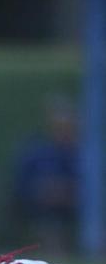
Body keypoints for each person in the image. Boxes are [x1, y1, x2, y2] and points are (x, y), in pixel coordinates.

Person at [12, 94, 80, 254]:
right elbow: (22, 183)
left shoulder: (84, 153)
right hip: (41, 206)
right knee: (48, 220)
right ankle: (54, 252)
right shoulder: (36, 151)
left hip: (76, 204)